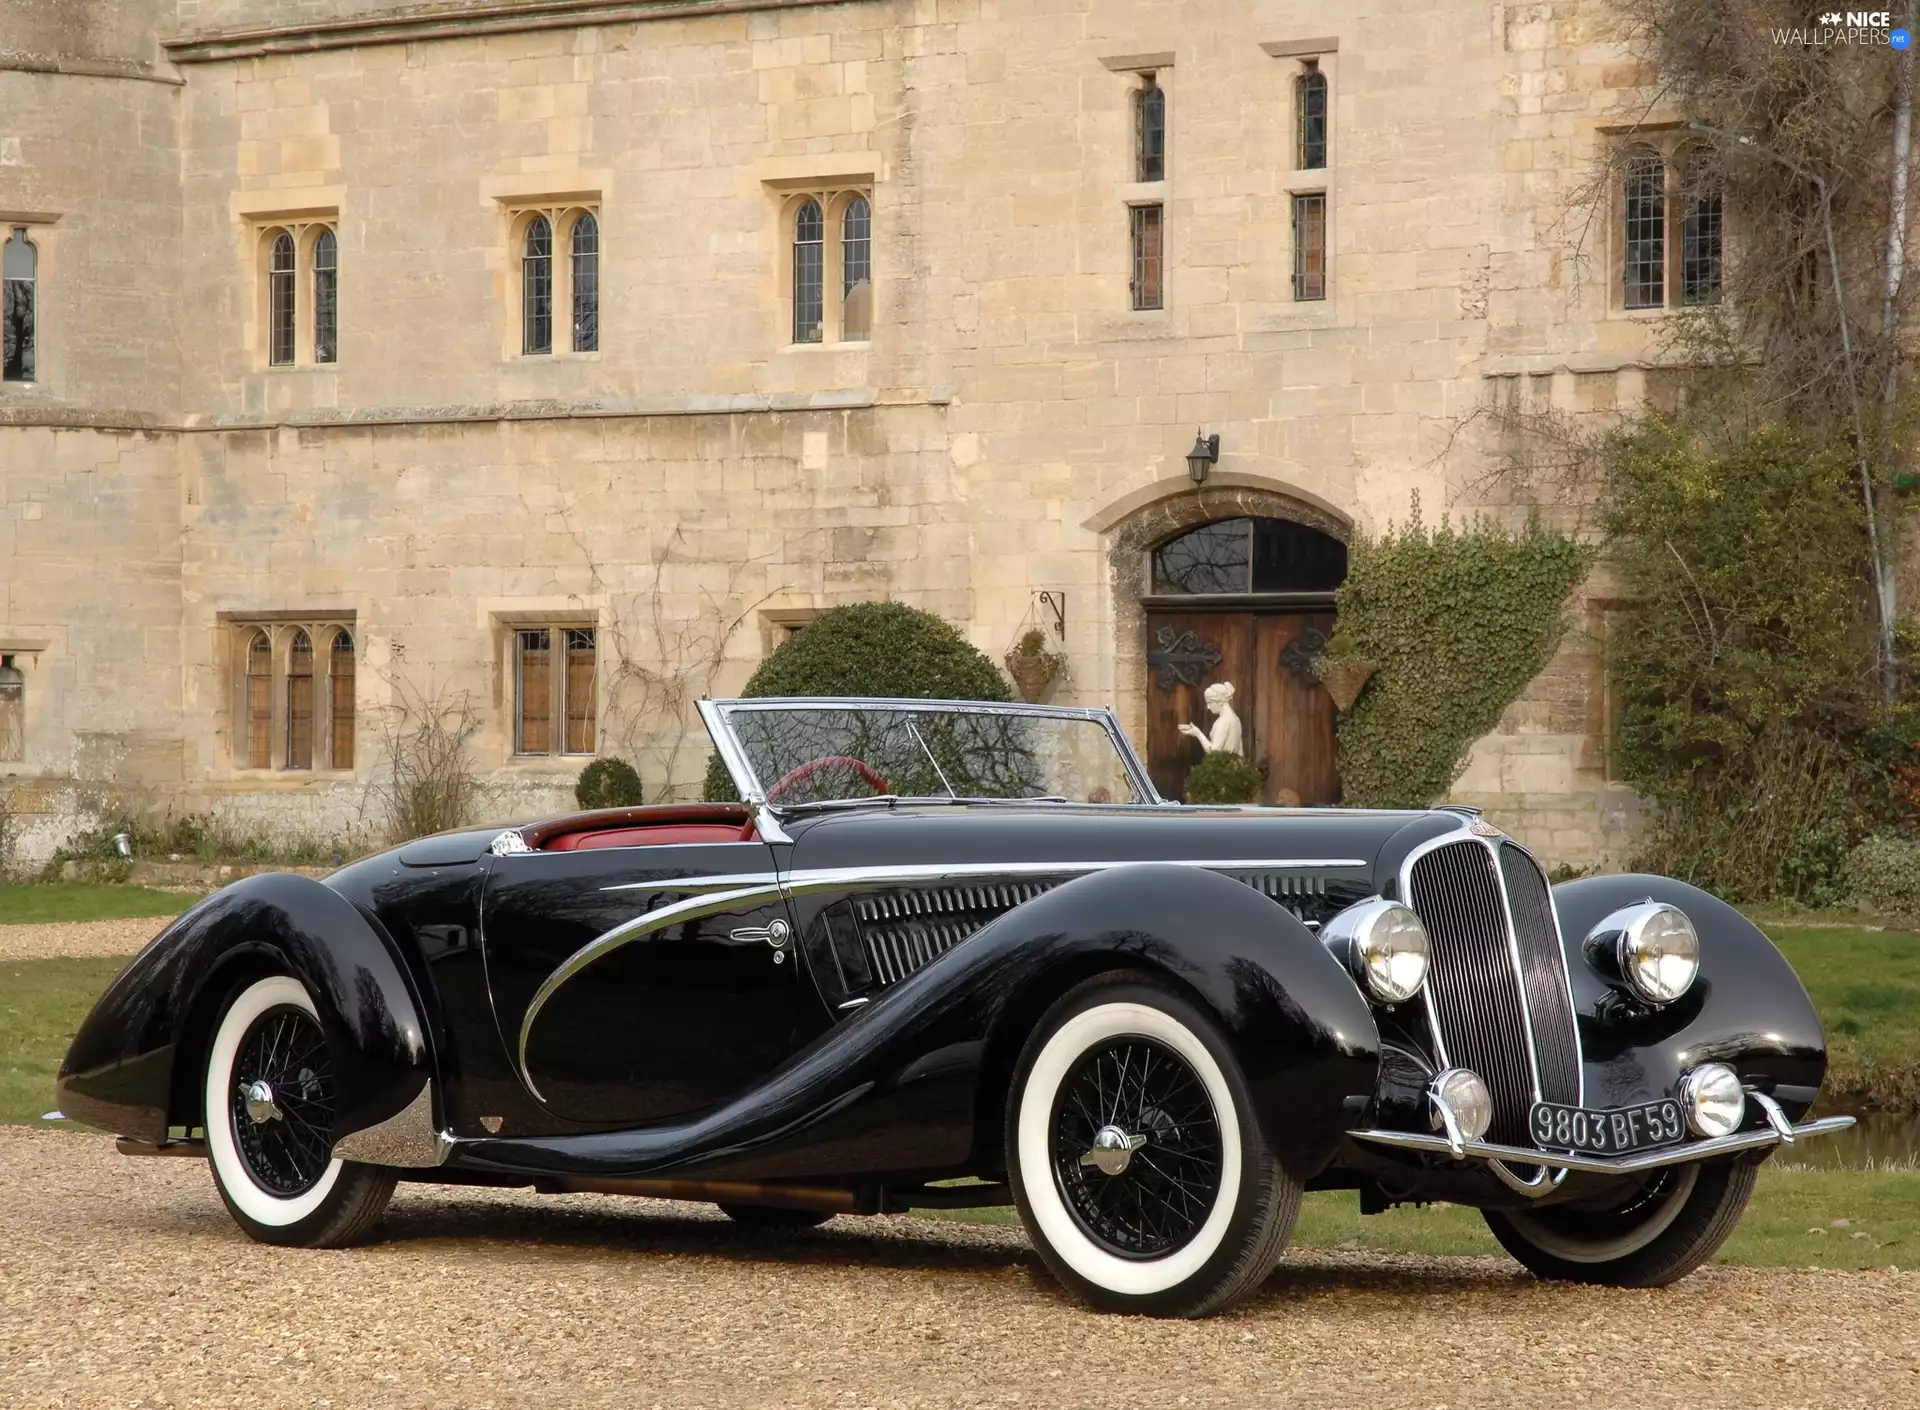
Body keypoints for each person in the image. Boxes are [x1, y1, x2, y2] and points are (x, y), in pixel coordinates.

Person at [1178, 680, 1243, 756]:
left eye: (1209, 702)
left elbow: (1213, 752)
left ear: (1219, 701)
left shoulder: (1223, 722)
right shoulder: (1235, 718)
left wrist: (1198, 733)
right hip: (1234, 763)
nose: (1208, 707)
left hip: (1223, 763)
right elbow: (1240, 751)